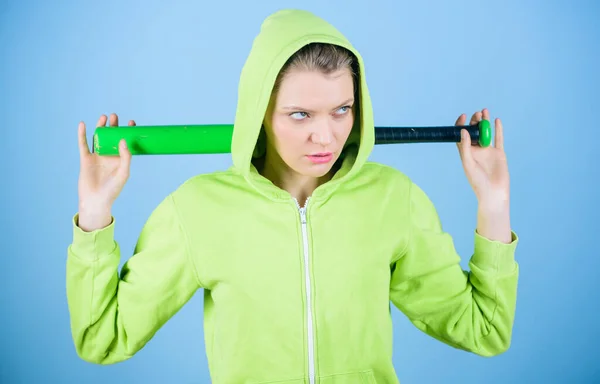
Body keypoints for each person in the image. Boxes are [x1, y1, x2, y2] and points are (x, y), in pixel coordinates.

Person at [67, 8, 519, 384]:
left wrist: (493, 204)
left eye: (342, 110)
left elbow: (485, 331)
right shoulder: (198, 209)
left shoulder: (392, 199)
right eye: (299, 114)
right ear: (259, 112)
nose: (325, 136)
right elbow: (102, 337)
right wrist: (95, 211)